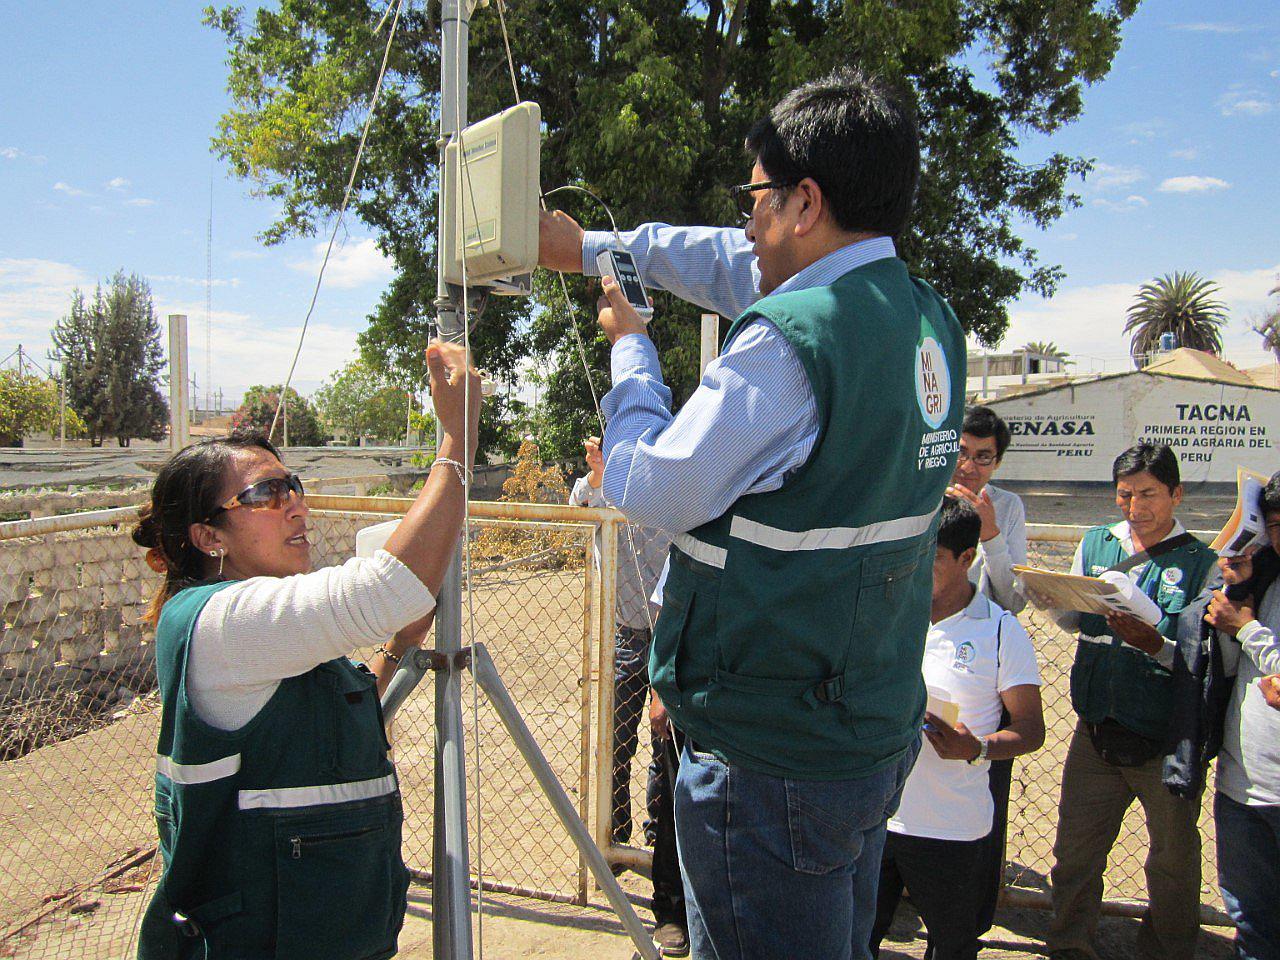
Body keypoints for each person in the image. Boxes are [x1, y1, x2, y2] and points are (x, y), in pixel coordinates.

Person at [550, 67, 967, 959]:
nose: (747, 224)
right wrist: (597, 248)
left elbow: (651, 485)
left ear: (804, 202)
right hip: (861, 730)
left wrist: (633, 354)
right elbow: (733, 263)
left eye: (757, 200)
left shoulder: (788, 341)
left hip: (773, 760)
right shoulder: (923, 318)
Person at [132, 342, 482, 960]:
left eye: (291, 484)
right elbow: (385, 587)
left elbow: (314, 724)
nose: (295, 502)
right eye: (265, 495)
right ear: (208, 535)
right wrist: (454, 443)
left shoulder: (267, 624)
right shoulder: (218, 621)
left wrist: (399, 647)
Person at [1041, 443, 1218, 960]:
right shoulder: (1097, 543)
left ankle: (1167, 949)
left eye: (1148, 494)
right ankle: (1070, 947)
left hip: (1164, 738)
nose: (1135, 506)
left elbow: (1200, 663)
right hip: (1096, 729)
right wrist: (1051, 600)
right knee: (1075, 855)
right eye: (1124, 494)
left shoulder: (1200, 562)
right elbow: (1075, 624)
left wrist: (1154, 643)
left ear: (1175, 494)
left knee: (1172, 861)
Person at [870, 496, 1043, 959]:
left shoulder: (1001, 631)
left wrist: (977, 747)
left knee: (952, 946)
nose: (918, 564)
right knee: (852, 939)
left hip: (951, 829)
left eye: (934, 555)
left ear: (968, 559)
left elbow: (1031, 729)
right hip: (875, 817)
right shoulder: (884, 616)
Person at [569, 436, 685, 955]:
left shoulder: (678, 487)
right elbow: (578, 505)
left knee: (668, 759)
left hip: (671, 637)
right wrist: (597, 474)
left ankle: (662, 858)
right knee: (615, 744)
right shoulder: (606, 486)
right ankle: (612, 840)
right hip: (625, 633)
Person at [943, 404, 1028, 942]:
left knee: (983, 772)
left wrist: (992, 537)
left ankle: (973, 905)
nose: (969, 468)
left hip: (982, 666)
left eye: (983, 458)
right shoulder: (919, 491)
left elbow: (1014, 596)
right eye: (962, 454)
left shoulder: (1008, 508)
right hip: (923, 651)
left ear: (996, 463)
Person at [1204, 470, 1280, 960]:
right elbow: (1231, 674)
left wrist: (1247, 629)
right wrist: (1231, 613)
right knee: (1252, 926)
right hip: (1244, 789)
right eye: (1275, 522)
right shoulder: (1266, 583)